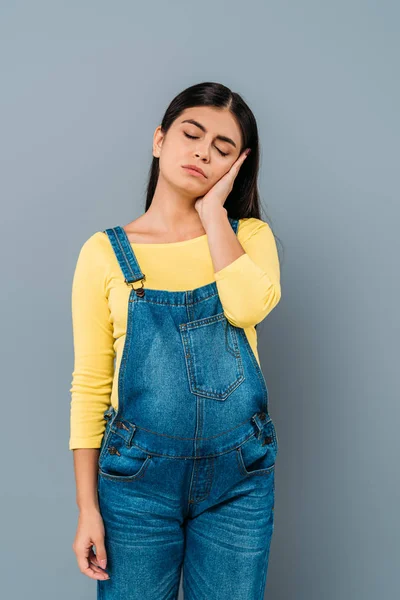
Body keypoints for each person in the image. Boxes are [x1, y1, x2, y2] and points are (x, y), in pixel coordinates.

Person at [70, 81, 282, 600]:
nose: (203, 151)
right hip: (136, 485)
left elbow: (248, 306)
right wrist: (87, 509)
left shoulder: (248, 238)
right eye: (192, 133)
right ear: (159, 139)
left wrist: (213, 214)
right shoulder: (104, 254)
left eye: (223, 148)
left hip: (240, 480)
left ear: (236, 167)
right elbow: (90, 387)